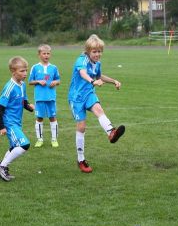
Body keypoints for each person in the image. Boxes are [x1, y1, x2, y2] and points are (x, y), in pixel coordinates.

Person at [68, 34, 125, 173]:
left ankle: (111, 132)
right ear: (88, 51)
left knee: (99, 109)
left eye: (99, 51)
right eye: (94, 51)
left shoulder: (97, 63)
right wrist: (93, 81)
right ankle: (81, 159)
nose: (97, 54)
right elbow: (83, 73)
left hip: (89, 94)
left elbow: (99, 76)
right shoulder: (81, 60)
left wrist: (113, 81)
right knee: (81, 127)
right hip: (76, 98)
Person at [0, 56, 34, 181]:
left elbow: (23, 101)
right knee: (24, 145)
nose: (25, 73)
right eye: (22, 71)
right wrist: (2, 127)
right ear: (13, 72)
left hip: (17, 122)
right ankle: (2, 166)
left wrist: (29, 107)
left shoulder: (22, 85)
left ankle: (0, 168)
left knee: (13, 148)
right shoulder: (10, 87)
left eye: (26, 70)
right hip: (9, 122)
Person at [28, 44, 60, 148]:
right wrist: (38, 81)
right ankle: (40, 139)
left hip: (51, 97)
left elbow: (58, 80)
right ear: (39, 55)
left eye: (48, 53)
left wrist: (55, 82)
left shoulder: (53, 68)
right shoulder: (35, 67)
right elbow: (30, 81)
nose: (46, 55)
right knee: (39, 118)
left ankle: (54, 140)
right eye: (44, 53)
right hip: (40, 98)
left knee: (52, 117)